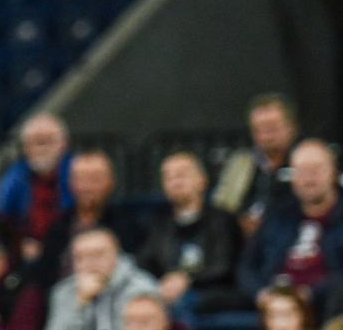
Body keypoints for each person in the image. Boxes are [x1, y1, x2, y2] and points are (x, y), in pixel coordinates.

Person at [38, 228, 159, 330]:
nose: (88, 264)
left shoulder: (141, 290)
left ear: (116, 256)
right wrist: (79, 303)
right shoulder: (64, 291)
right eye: (80, 258)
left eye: (97, 255)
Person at [136, 153, 244, 314]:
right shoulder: (158, 224)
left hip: (208, 294)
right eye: (168, 177)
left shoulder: (222, 220)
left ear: (202, 180)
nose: (175, 182)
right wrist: (164, 282)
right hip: (166, 293)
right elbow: (145, 262)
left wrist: (188, 280)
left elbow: (224, 266)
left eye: (182, 175)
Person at [238, 140, 343, 305]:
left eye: (316, 169)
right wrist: (261, 294)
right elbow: (246, 266)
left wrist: (309, 294)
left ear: (333, 172)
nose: (309, 178)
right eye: (301, 171)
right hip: (274, 302)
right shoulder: (278, 215)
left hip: (327, 303)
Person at [31, 149, 135, 289]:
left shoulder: (127, 225)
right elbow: (44, 275)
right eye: (79, 179)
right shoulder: (58, 225)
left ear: (110, 182)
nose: (86, 187)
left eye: (94, 179)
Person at [213, 94, 301, 236]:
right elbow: (222, 207)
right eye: (259, 129)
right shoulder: (240, 163)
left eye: (272, 128)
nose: (266, 136)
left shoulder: (305, 160)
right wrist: (239, 220)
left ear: (291, 127)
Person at [0, 114, 73, 265]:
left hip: (70, 248)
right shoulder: (13, 178)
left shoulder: (77, 173)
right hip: (26, 255)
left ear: (64, 144)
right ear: (25, 147)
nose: (42, 149)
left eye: (48, 141)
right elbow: (4, 220)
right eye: (36, 142)